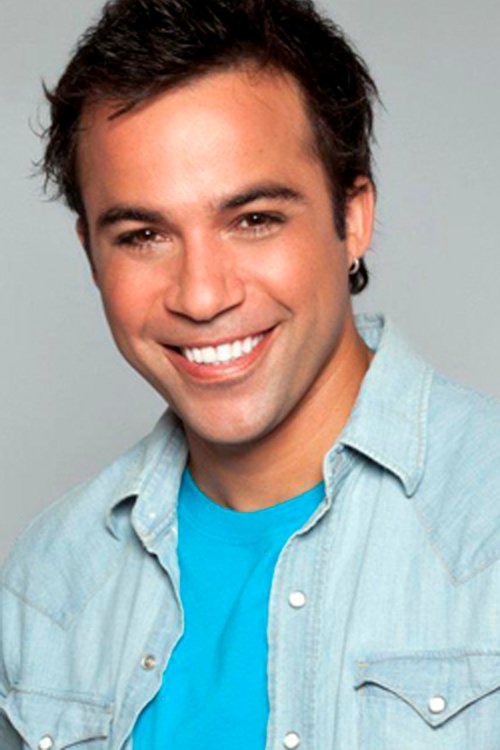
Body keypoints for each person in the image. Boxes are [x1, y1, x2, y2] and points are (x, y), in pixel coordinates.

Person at [1, 0, 499, 748]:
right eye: (143, 235)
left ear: (353, 217)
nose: (202, 296)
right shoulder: (48, 584)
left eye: (254, 219)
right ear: (91, 254)